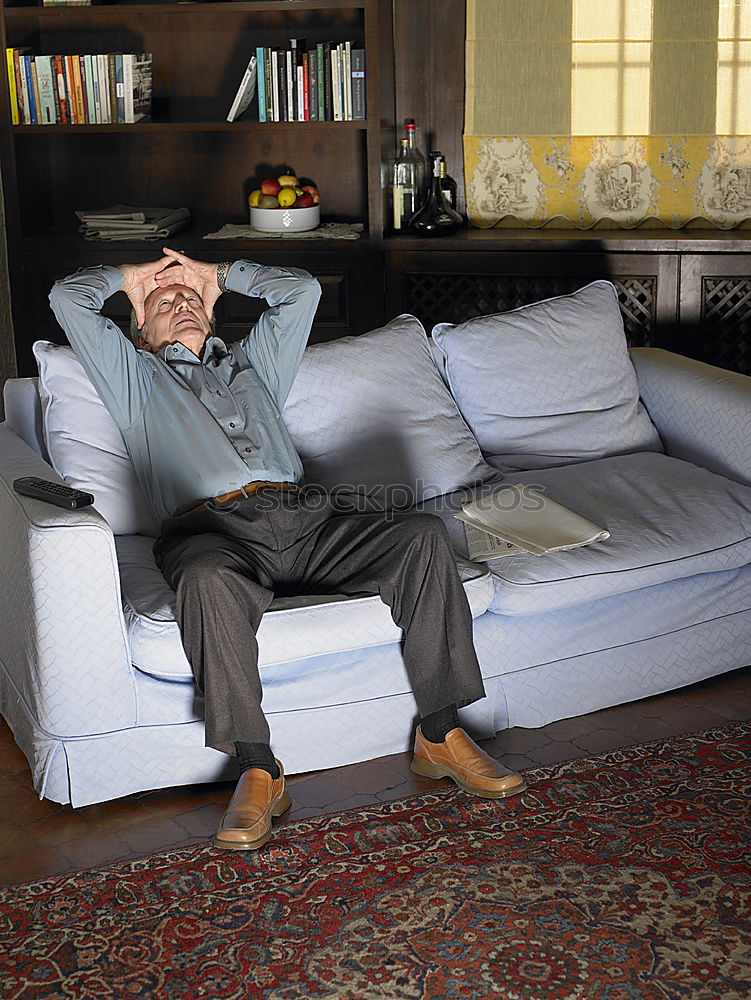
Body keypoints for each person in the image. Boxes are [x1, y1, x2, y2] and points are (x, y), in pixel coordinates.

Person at [49, 249, 526, 851]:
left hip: (307, 518)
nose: (182, 304)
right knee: (203, 579)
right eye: (164, 306)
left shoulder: (253, 367)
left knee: (421, 537)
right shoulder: (134, 378)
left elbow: (301, 291)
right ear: (141, 334)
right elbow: (69, 299)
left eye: (191, 300)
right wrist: (135, 278)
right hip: (212, 533)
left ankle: (439, 733)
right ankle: (258, 767)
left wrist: (217, 277)